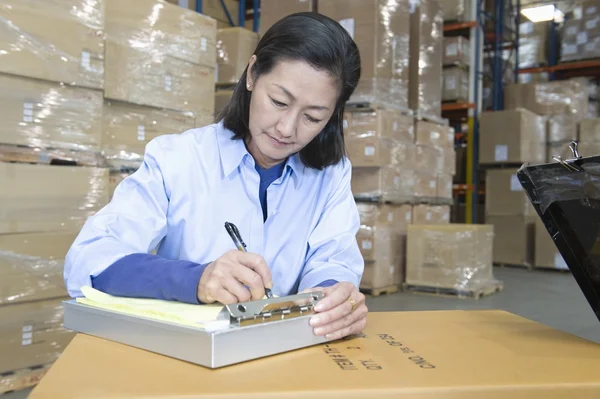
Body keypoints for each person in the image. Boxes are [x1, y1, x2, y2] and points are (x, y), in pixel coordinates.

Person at [64, 12, 367, 340]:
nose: (287, 128)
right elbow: (88, 260)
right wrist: (195, 280)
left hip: (286, 356)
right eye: (279, 102)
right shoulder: (179, 160)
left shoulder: (330, 176)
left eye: (312, 117)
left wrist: (332, 296)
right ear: (252, 75)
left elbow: (333, 259)